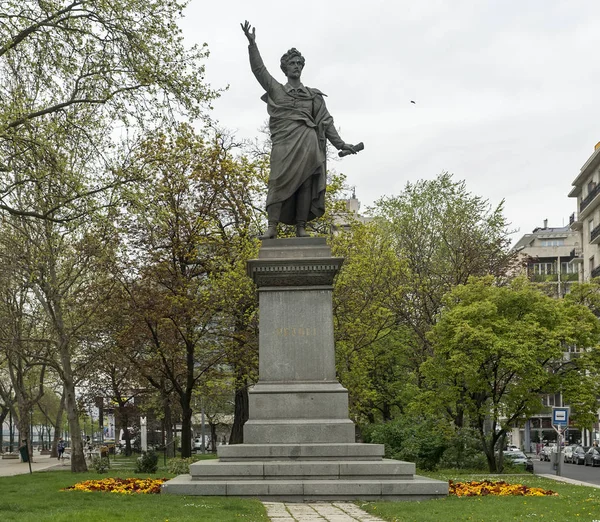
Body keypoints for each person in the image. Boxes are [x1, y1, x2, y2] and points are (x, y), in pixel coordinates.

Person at [241, 20, 360, 239]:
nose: (296, 66)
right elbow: (259, 70)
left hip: (308, 143)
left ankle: (301, 227)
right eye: (292, 63)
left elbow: (326, 121)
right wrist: (252, 45)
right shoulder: (277, 90)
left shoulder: (313, 96)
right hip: (284, 145)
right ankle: (272, 227)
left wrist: (342, 145)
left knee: (306, 183)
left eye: (299, 63)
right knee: (277, 180)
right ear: (285, 68)